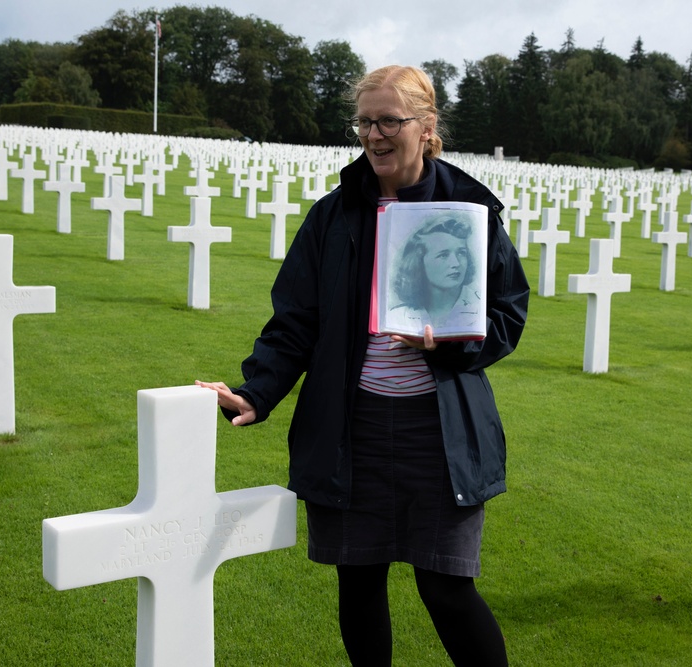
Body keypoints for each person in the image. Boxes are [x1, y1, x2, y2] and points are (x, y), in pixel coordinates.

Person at [197, 64, 529, 666]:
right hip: (353, 427)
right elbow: (297, 317)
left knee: (447, 588)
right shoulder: (335, 214)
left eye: (390, 121)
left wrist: (450, 344)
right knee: (358, 582)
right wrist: (257, 390)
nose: (375, 135)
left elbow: (507, 314)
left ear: (427, 127)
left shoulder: (469, 210)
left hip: (440, 430)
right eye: (365, 122)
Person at [388, 213, 482, 333]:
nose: (456, 263)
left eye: (461, 253)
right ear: (420, 261)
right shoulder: (397, 316)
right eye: (443, 255)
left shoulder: (479, 309)